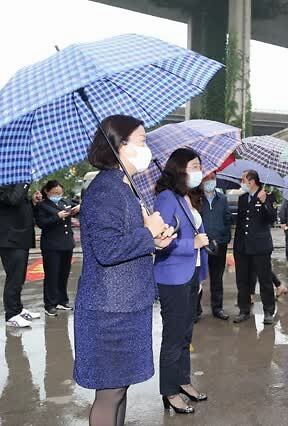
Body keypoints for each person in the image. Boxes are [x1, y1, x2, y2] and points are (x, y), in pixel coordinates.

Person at [74, 114, 175, 426]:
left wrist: (154, 241)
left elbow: (125, 241)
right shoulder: (106, 190)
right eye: (142, 141)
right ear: (120, 145)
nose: (147, 147)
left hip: (126, 305)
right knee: (110, 393)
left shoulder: (124, 187)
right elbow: (107, 250)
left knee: (120, 389)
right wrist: (148, 233)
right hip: (110, 310)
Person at [154, 148, 209, 414]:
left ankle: (183, 381)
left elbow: (199, 235)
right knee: (173, 337)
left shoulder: (188, 196)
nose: (199, 171)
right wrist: (191, 244)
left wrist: (201, 276)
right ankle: (170, 391)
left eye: (199, 166)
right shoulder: (166, 198)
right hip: (173, 277)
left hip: (191, 274)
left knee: (186, 334)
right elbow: (160, 242)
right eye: (194, 166)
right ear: (179, 168)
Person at [233, 170, 277, 324]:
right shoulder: (243, 198)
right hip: (242, 246)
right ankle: (244, 310)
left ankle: (268, 311)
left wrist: (265, 203)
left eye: (243, 180)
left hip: (260, 246)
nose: (242, 183)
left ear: (252, 181)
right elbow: (240, 222)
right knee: (242, 280)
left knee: (265, 280)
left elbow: (272, 218)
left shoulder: (267, 196)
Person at [34, 180, 80, 317]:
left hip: (66, 243)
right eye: (54, 193)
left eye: (60, 193)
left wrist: (76, 209)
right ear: (47, 192)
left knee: (63, 274)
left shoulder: (64, 202)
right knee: (52, 275)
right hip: (51, 245)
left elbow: (74, 209)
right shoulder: (42, 205)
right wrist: (57, 216)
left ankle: (62, 300)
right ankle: (50, 304)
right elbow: (41, 223)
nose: (57, 195)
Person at [0, 183, 41, 328]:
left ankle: (18, 309)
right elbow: (13, 200)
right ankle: (11, 314)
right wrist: (24, 183)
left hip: (20, 237)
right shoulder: (5, 181)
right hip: (9, 238)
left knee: (20, 276)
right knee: (14, 278)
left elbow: (18, 206)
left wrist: (32, 201)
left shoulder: (14, 183)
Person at [200, 171, 233, 321]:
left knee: (217, 277)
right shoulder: (196, 199)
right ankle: (196, 309)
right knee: (199, 277)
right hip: (202, 244)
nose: (210, 181)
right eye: (207, 178)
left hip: (219, 244)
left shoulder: (222, 199)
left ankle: (217, 308)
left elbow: (227, 219)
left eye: (212, 178)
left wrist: (225, 237)